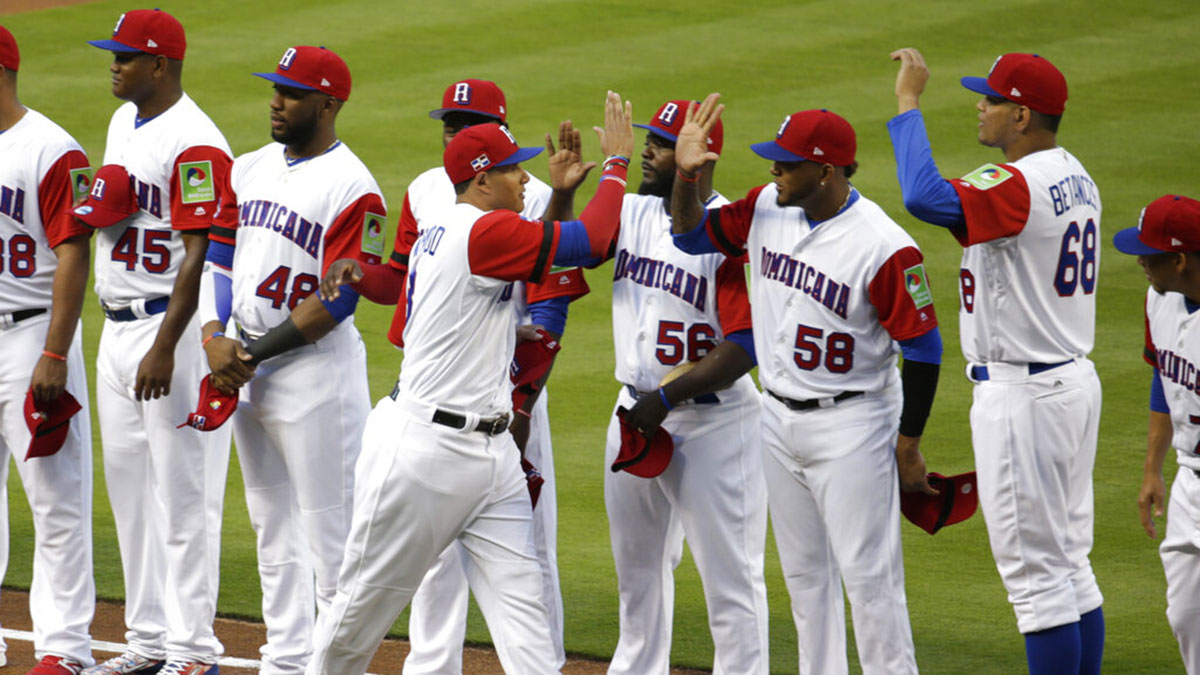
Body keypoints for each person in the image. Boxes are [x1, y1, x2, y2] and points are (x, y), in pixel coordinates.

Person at [304, 91, 634, 675]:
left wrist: (559, 196)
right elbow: (594, 242)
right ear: (482, 181)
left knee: (525, 619)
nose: (521, 180)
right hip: (422, 452)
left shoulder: (468, 225)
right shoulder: (478, 234)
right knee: (356, 617)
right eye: (511, 170)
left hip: (491, 454)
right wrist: (616, 165)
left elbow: (539, 260)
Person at [671, 97, 942, 675]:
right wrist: (687, 175)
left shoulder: (885, 245)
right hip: (778, 416)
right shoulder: (768, 205)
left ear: (827, 171)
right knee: (804, 578)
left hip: (855, 423)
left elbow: (924, 348)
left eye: (787, 163)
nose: (773, 170)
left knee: (870, 583)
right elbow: (692, 237)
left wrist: (908, 443)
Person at [888, 48, 1103, 675]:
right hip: (1070, 385)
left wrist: (907, 103)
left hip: (1025, 397)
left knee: (1036, 584)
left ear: (1022, 115)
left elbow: (924, 198)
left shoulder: (1018, 183)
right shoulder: (1074, 173)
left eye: (992, 98)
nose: (980, 106)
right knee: (1070, 568)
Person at [383, 79, 589, 673]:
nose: (455, 130)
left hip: (513, 396)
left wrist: (522, 399)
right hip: (439, 394)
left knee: (527, 550)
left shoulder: (534, 194)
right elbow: (406, 294)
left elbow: (551, 305)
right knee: (433, 559)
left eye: (469, 121)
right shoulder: (428, 190)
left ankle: (541, 663)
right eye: (449, 122)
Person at [197, 45, 384, 675]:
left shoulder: (355, 187)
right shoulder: (249, 167)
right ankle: (285, 661)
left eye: (293, 93)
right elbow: (220, 257)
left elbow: (339, 302)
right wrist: (214, 332)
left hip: (314, 378)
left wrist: (246, 352)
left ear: (329, 104)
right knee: (272, 529)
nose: (276, 101)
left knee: (333, 543)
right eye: (276, 88)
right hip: (249, 370)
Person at [84, 10, 234, 675]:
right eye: (113, 54)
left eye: (125, 56)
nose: (113, 64)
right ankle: (145, 640)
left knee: (182, 494)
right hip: (116, 329)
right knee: (133, 496)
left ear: (161, 66)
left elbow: (200, 251)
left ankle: (193, 649)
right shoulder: (124, 121)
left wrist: (169, 343)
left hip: (164, 335)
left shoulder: (197, 141)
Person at [598, 99, 769, 674]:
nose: (648, 149)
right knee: (637, 575)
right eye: (650, 139)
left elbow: (744, 346)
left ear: (700, 156)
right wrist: (582, 184)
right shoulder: (631, 214)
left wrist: (666, 398)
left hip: (715, 424)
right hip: (634, 411)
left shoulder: (726, 234)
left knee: (731, 584)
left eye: (662, 143)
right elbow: (564, 248)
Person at [0, 24, 97, 675]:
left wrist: (56, 351)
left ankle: (65, 646)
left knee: (54, 493)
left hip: (34, 334)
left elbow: (74, 250)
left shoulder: (52, 149)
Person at [1115, 195, 1200, 674]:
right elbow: (1162, 375)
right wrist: (1152, 469)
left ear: (1181, 259)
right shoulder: (1159, 299)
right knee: (1186, 615)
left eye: (1149, 253)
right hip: (1189, 481)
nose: (1140, 261)